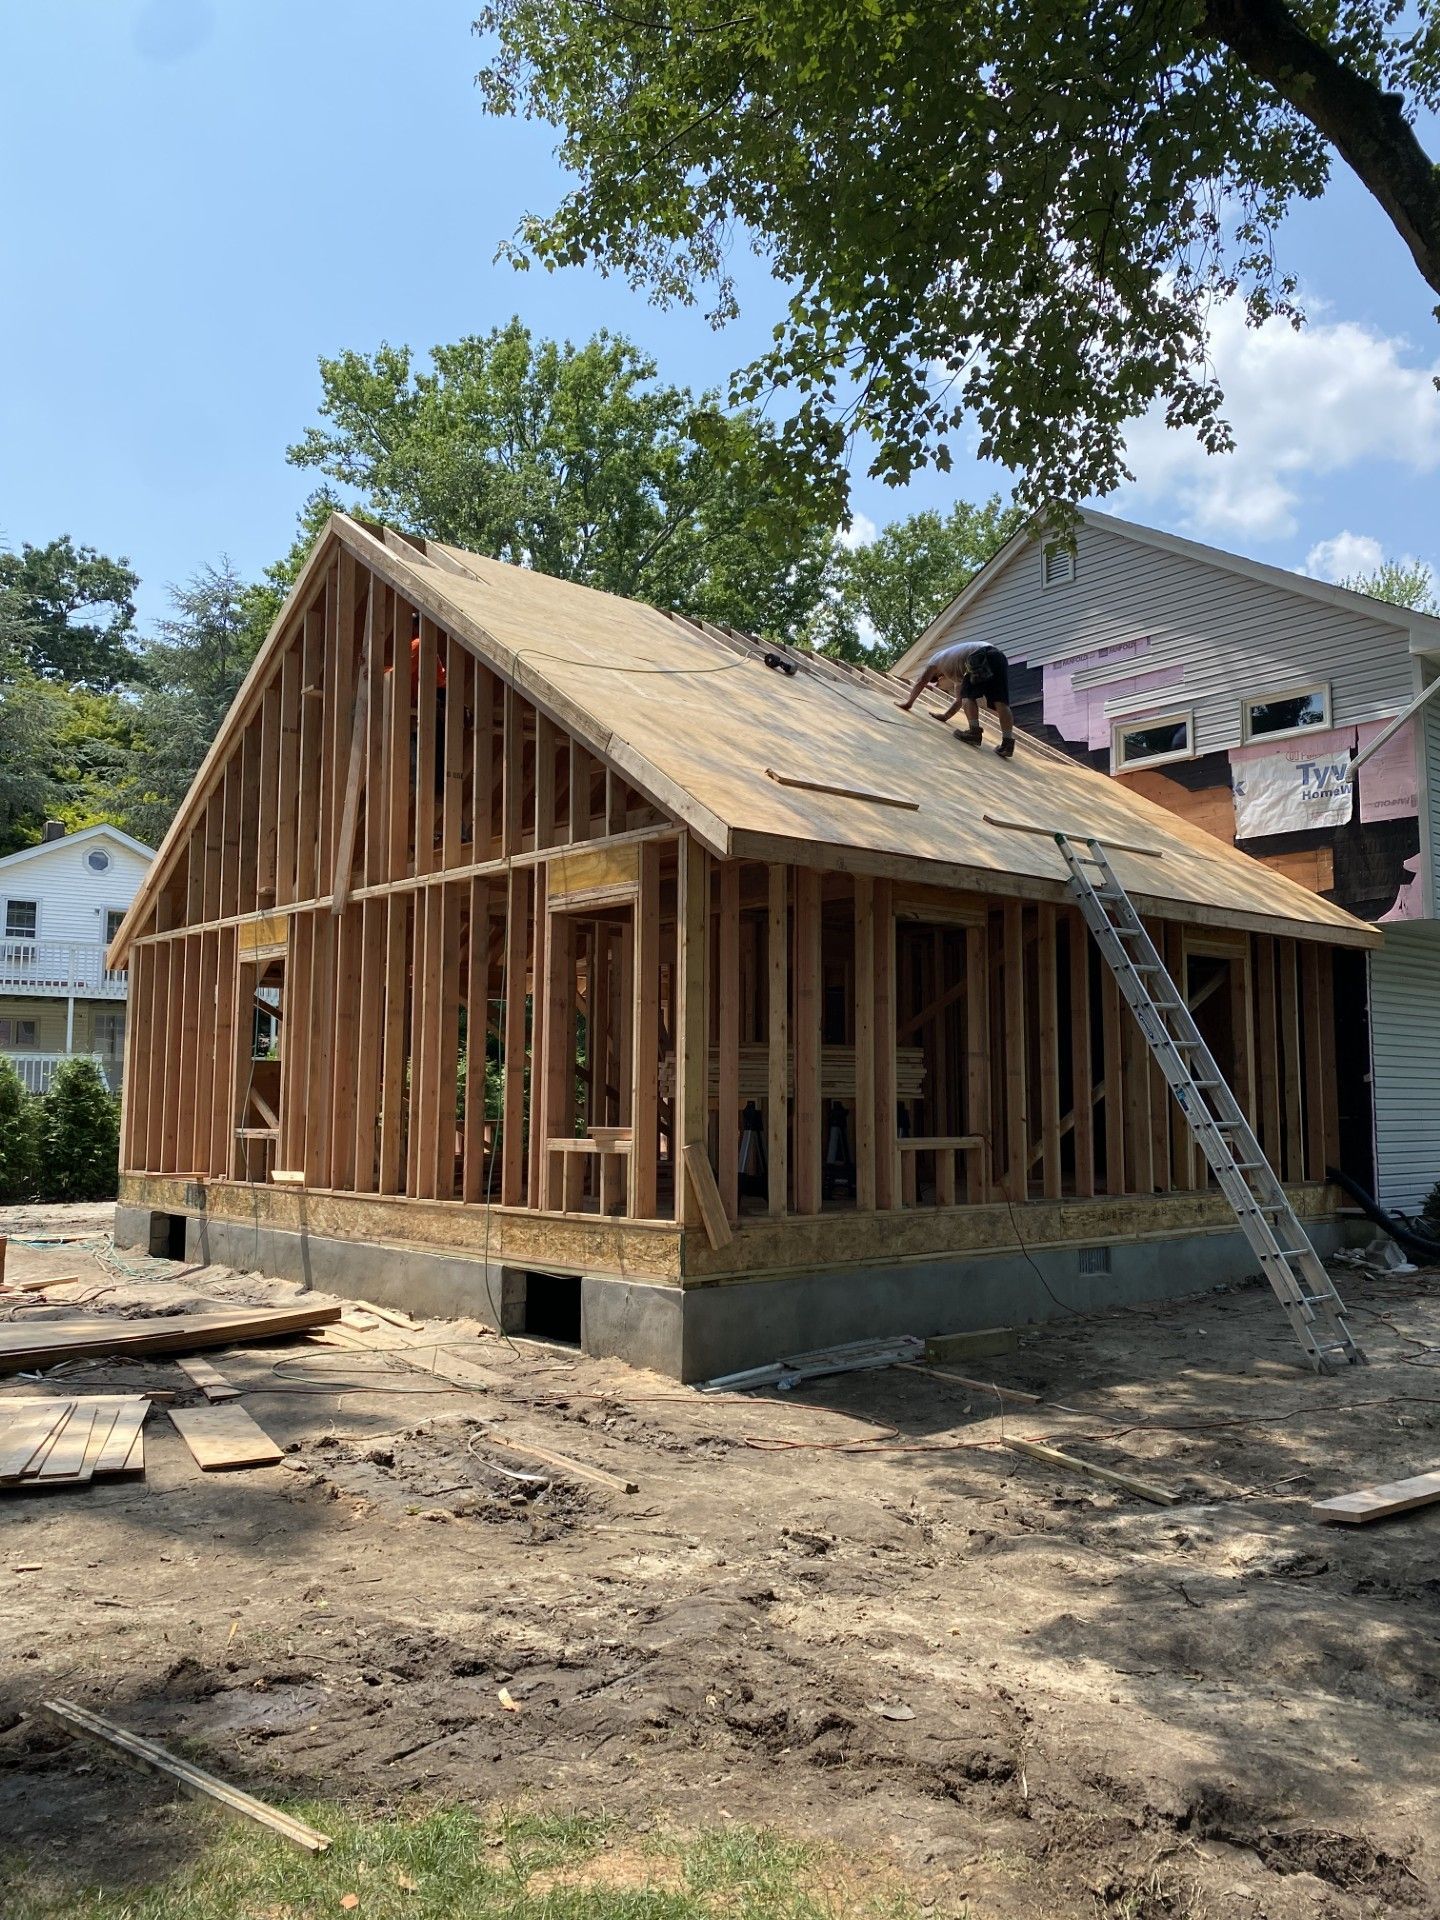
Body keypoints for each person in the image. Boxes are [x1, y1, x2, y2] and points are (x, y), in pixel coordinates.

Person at [897, 638, 1016, 758]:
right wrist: (945, 716)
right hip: (998, 656)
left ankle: (974, 732)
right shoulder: (956, 665)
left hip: (980, 655)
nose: (940, 679)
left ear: (937, 675)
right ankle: (1007, 744)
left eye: (938, 677)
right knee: (1000, 701)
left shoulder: (935, 660)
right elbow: (959, 700)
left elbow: (921, 681)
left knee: (968, 695)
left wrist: (909, 703)